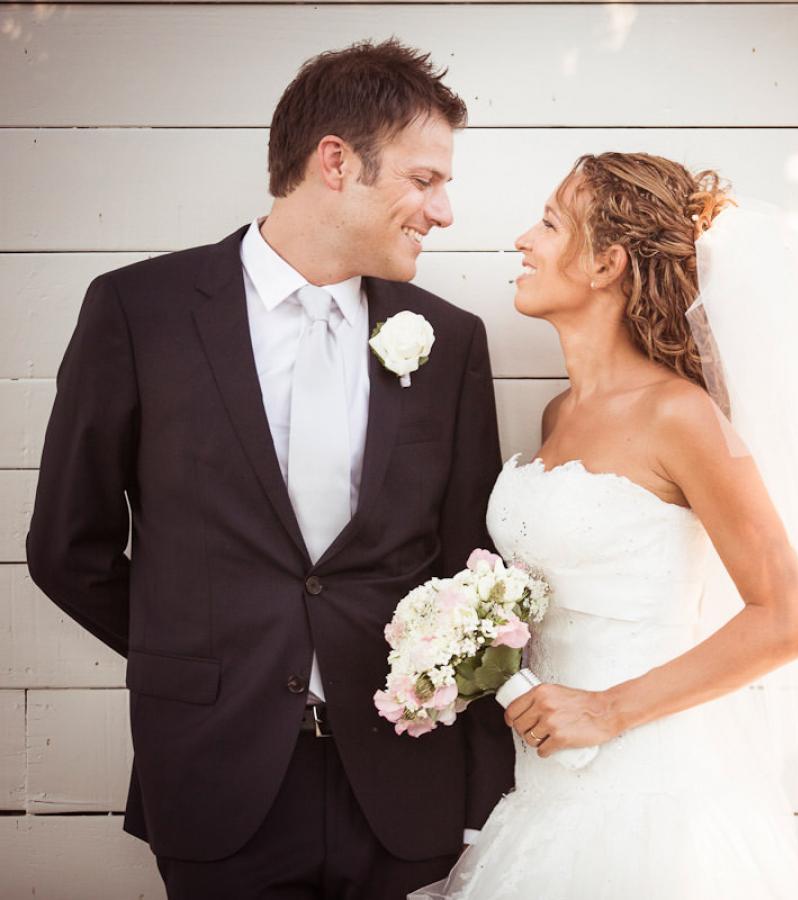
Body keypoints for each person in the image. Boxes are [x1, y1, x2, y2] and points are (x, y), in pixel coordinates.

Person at [25, 39, 514, 899]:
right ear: (335, 162)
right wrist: (201, 655)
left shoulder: (451, 339)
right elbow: (69, 548)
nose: (442, 211)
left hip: (404, 787)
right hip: (216, 773)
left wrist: (477, 784)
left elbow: (467, 565)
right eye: (425, 178)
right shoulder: (139, 311)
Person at [416, 152, 798, 899]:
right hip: (547, 787)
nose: (522, 241)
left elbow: (789, 621)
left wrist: (607, 709)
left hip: (656, 793)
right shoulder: (558, 416)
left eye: (549, 222)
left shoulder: (680, 415)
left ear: (607, 263)